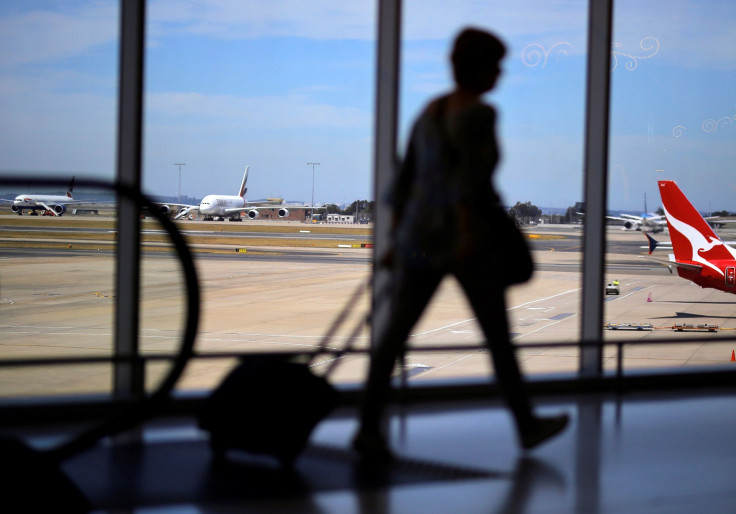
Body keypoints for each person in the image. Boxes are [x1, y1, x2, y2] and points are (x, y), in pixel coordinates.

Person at [353, 27, 568, 460]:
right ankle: (526, 424)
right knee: (497, 338)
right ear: (480, 68)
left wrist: (396, 237)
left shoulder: (430, 112)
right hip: (464, 241)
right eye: (496, 64)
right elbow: (471, 186)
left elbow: (403, 181)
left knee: (393, 335)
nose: (501, 73)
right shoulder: (479, 114)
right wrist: (469, 239)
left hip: (418, 237)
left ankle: (367, 429)